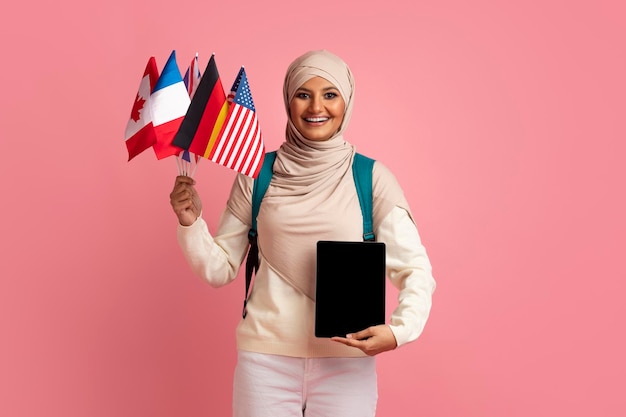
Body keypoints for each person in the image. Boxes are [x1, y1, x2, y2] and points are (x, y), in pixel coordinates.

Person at [169, 49, 436, 417]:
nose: (316, 107)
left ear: (347, 101)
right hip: (264, 363)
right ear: (288, 100)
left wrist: (399, 331)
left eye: (330, 94)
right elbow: (220, 269)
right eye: (303, 94)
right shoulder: (256, 173)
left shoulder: (371, 179)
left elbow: (416, 271)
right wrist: (190, 222)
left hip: (347, 364)